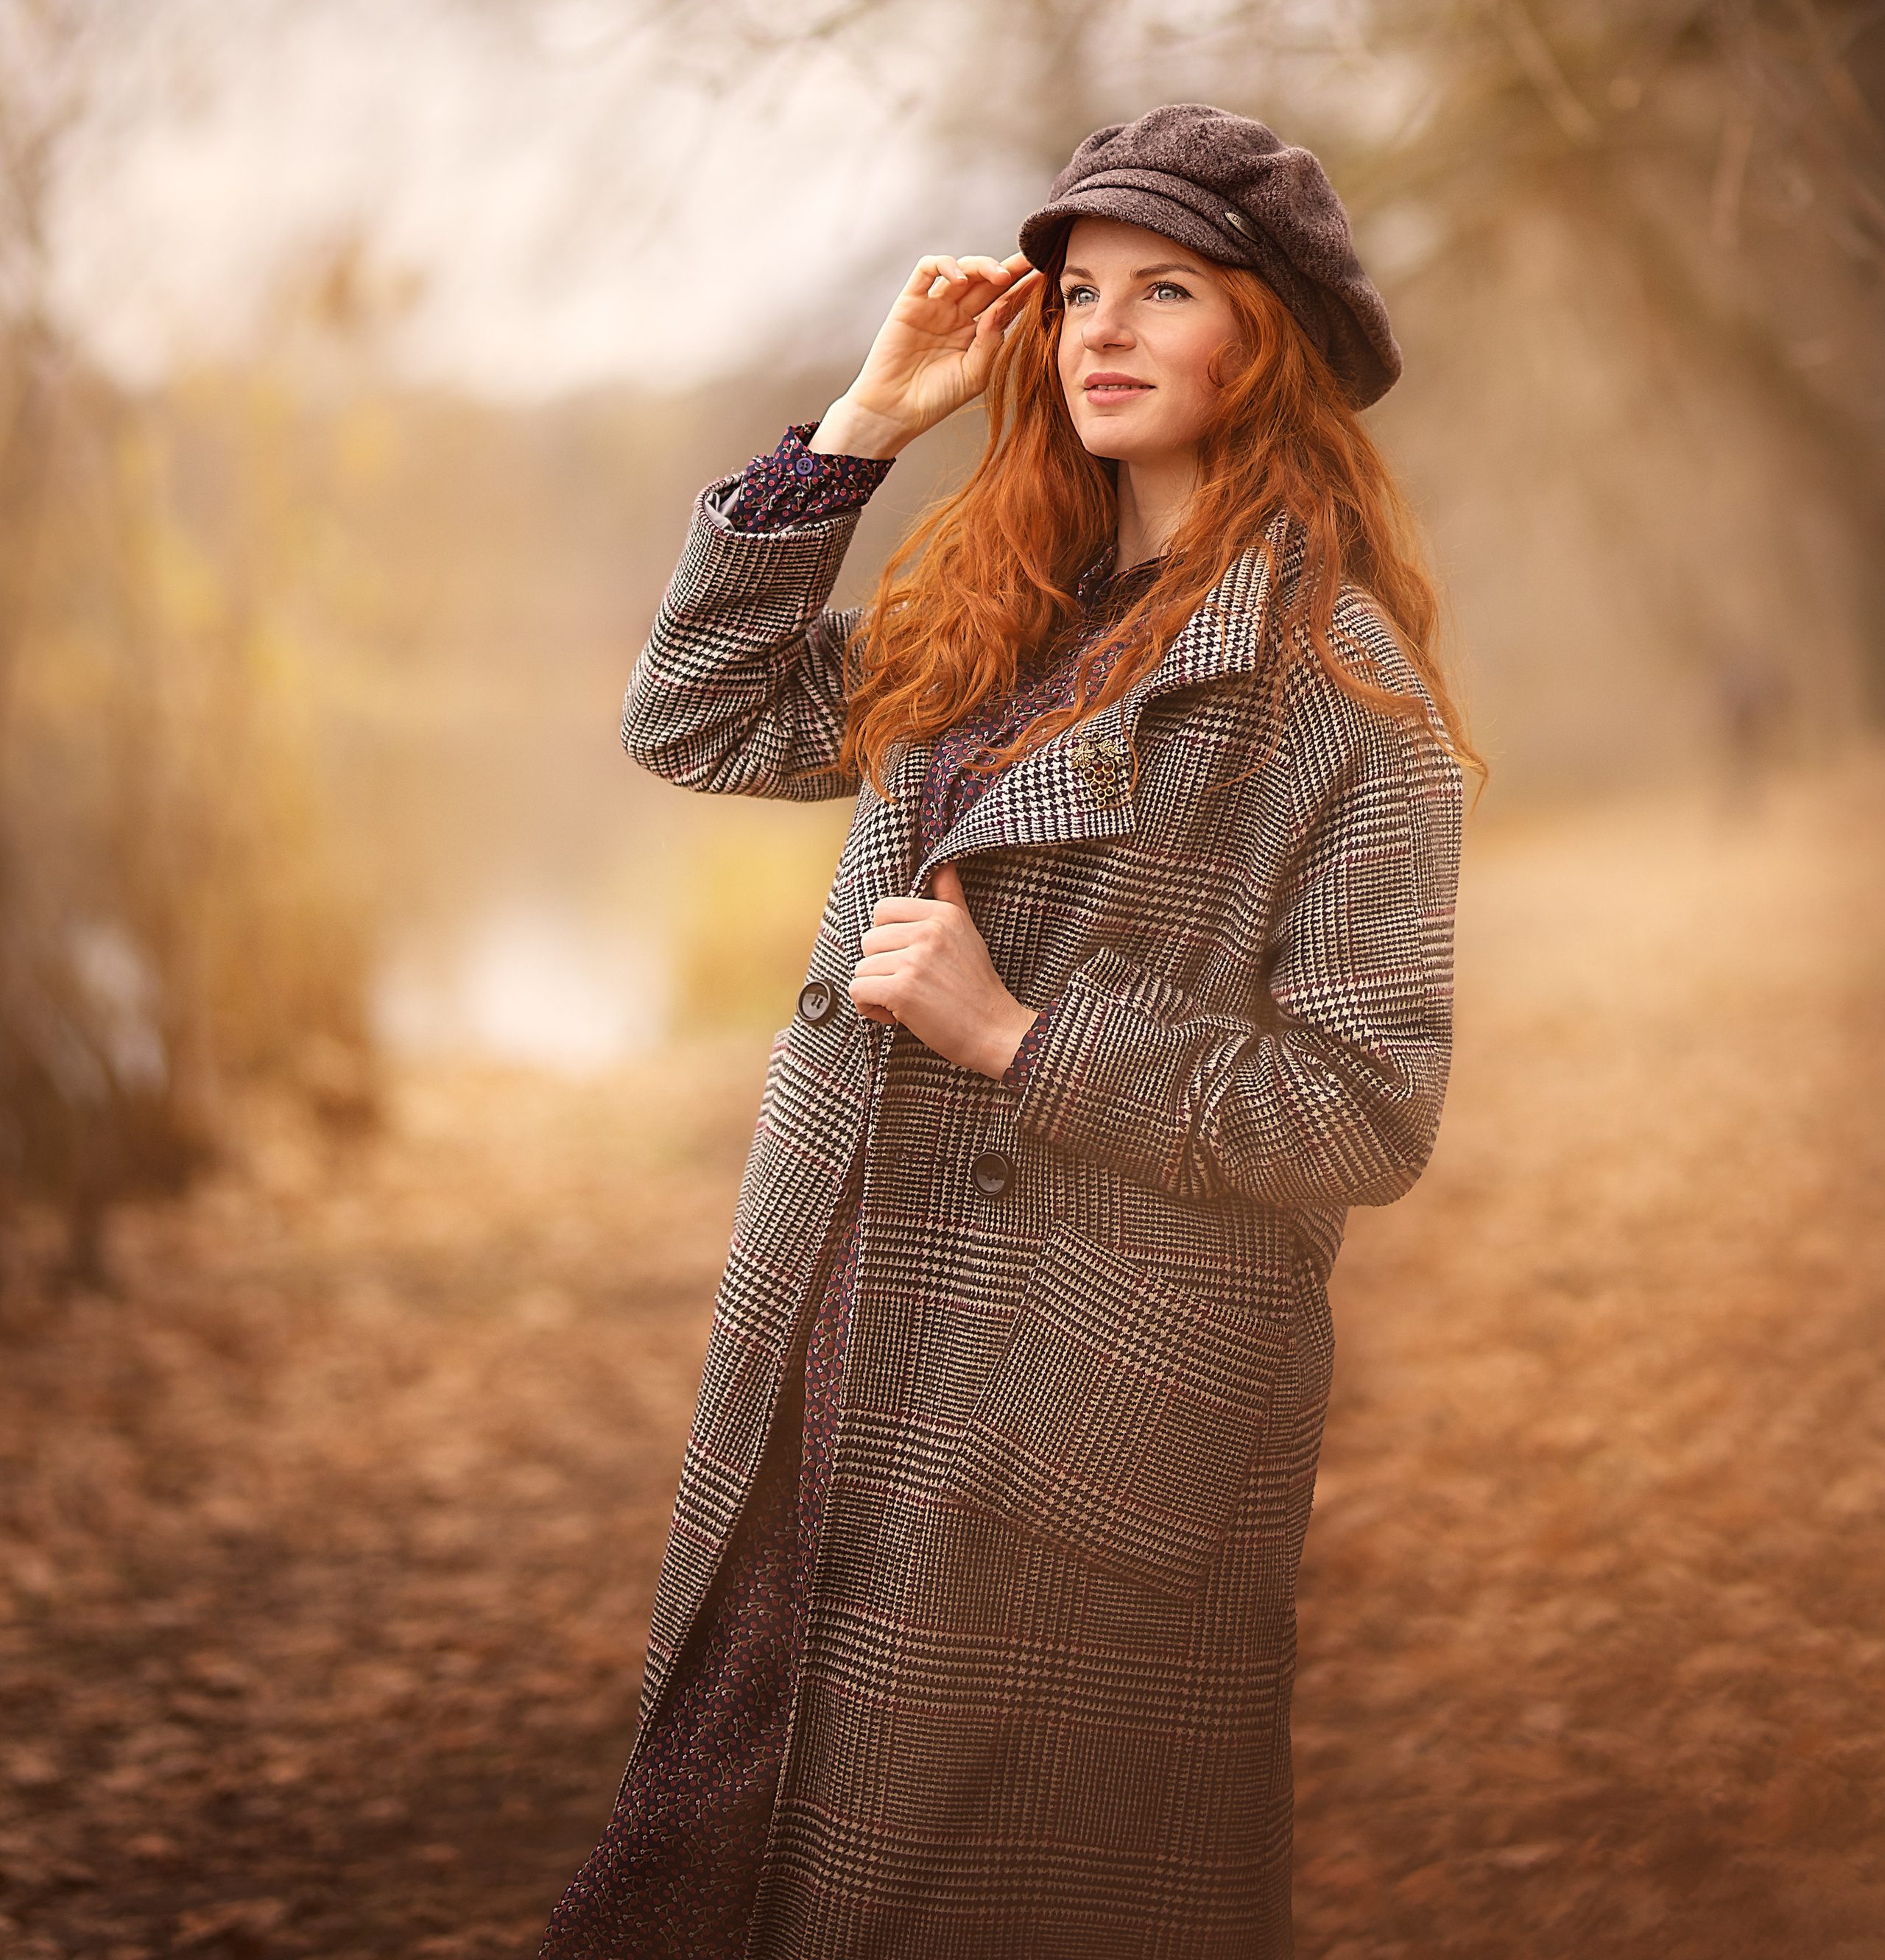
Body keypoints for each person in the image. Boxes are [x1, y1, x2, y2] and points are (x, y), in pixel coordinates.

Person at [540, 104, 1470, 1960]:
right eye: (1076, 296)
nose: (1102, 331)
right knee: (722, 1864)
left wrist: (1018, 1040)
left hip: (1081, 1420)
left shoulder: (1347, 700)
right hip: (840, 1333)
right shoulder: (996, 606)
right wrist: (866, 425)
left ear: (1259, 341)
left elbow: (1364, 1113)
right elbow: (696, 723)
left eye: (1167, 292)